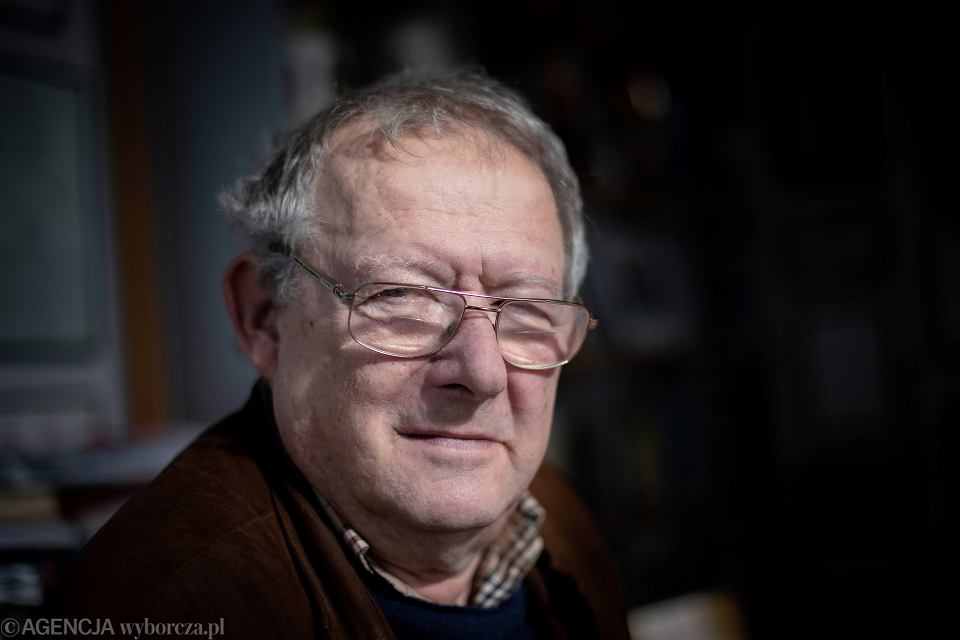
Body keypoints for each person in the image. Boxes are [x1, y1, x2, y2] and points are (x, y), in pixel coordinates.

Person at [61, 69, 629, 639]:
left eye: (527, 309)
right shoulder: (161, 604)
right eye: (402, 296)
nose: (482, 373)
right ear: (264, 318)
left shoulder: (559, 516)